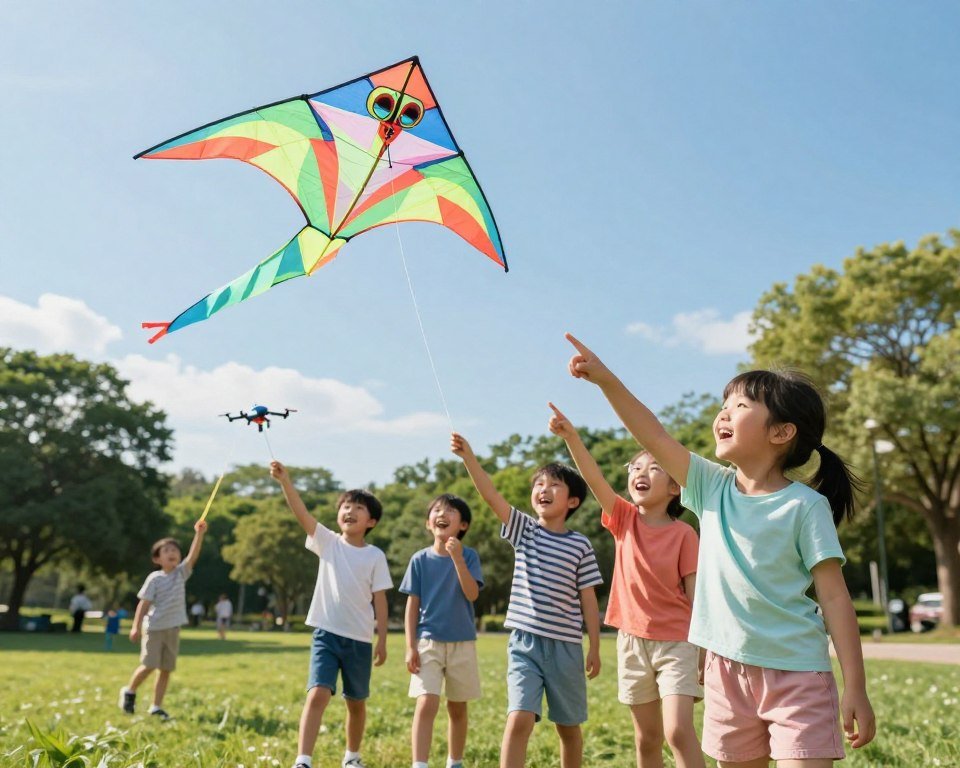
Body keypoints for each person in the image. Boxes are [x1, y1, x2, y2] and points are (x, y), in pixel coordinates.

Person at [565, 333, 876, 767]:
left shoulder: (805, 506)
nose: (723, 414)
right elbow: (652, 434)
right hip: (726, 673)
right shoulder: (711, 487)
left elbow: (835, 597)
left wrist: (855, 685)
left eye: (741, 407)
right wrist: (605, 380)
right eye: (724, 406)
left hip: (797, 676)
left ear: (782, 432)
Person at [548, 402, 705, 768]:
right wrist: (571, 437)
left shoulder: (685, 534)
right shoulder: (623, 519)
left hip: (678, 643)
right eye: (636, 467)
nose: (642, 472)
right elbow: (593, 478)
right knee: (646, 739)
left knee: (678, 732)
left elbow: (697, 595)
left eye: (655, 468)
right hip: (632, 642)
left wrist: (701, 649)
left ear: (674, 488)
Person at [451, 433, 602, 768]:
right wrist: (469, 459)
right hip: (524, 643)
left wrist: (593, 645)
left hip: (566, 647)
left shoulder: (581, 545)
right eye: (539, 485)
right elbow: (491, 497)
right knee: (519, 718)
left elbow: (588, 599)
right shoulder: (525, 530)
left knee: (568, 727)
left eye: (554, 485)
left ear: (573, 501)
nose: (543, 490)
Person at [270, 461, 392, 768]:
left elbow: (380, 600)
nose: (349, 511)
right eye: (345, 506)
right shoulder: (328, 543)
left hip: (360, 641)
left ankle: (352, 756)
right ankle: (303, 760)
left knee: (356, 702)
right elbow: (302, 514)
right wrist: (286, 482)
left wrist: (382, 640)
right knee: (318, 694)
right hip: (326, 634)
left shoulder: (375, 556)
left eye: (358, 508)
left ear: (372, 521)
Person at [401, 494, 484, 768]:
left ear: (463, 525)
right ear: (428, 524)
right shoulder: (419, 560)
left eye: (450, 511)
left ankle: (454, 762)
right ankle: (419, 763)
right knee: (426, 702)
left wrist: (457, 558)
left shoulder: (469, 556)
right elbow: (412, 606)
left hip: (462, 643)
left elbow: (472, 594)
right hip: (428, 642)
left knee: (457, 706)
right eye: (437, 509)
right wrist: (410, 646)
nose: (442, 513)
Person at [119, 520, 207, 720]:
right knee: (149, 665)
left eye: (175, 549)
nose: (172, 552)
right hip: (154, 628)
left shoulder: (181, 574)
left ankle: (156, 706)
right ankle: (130, 690)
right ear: (157, 559)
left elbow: (193, 555)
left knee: (166, 669)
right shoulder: (155, 579)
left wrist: (199, 534)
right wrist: (135, 627)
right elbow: (143, 604)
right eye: (166, 550)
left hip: (173, 629)